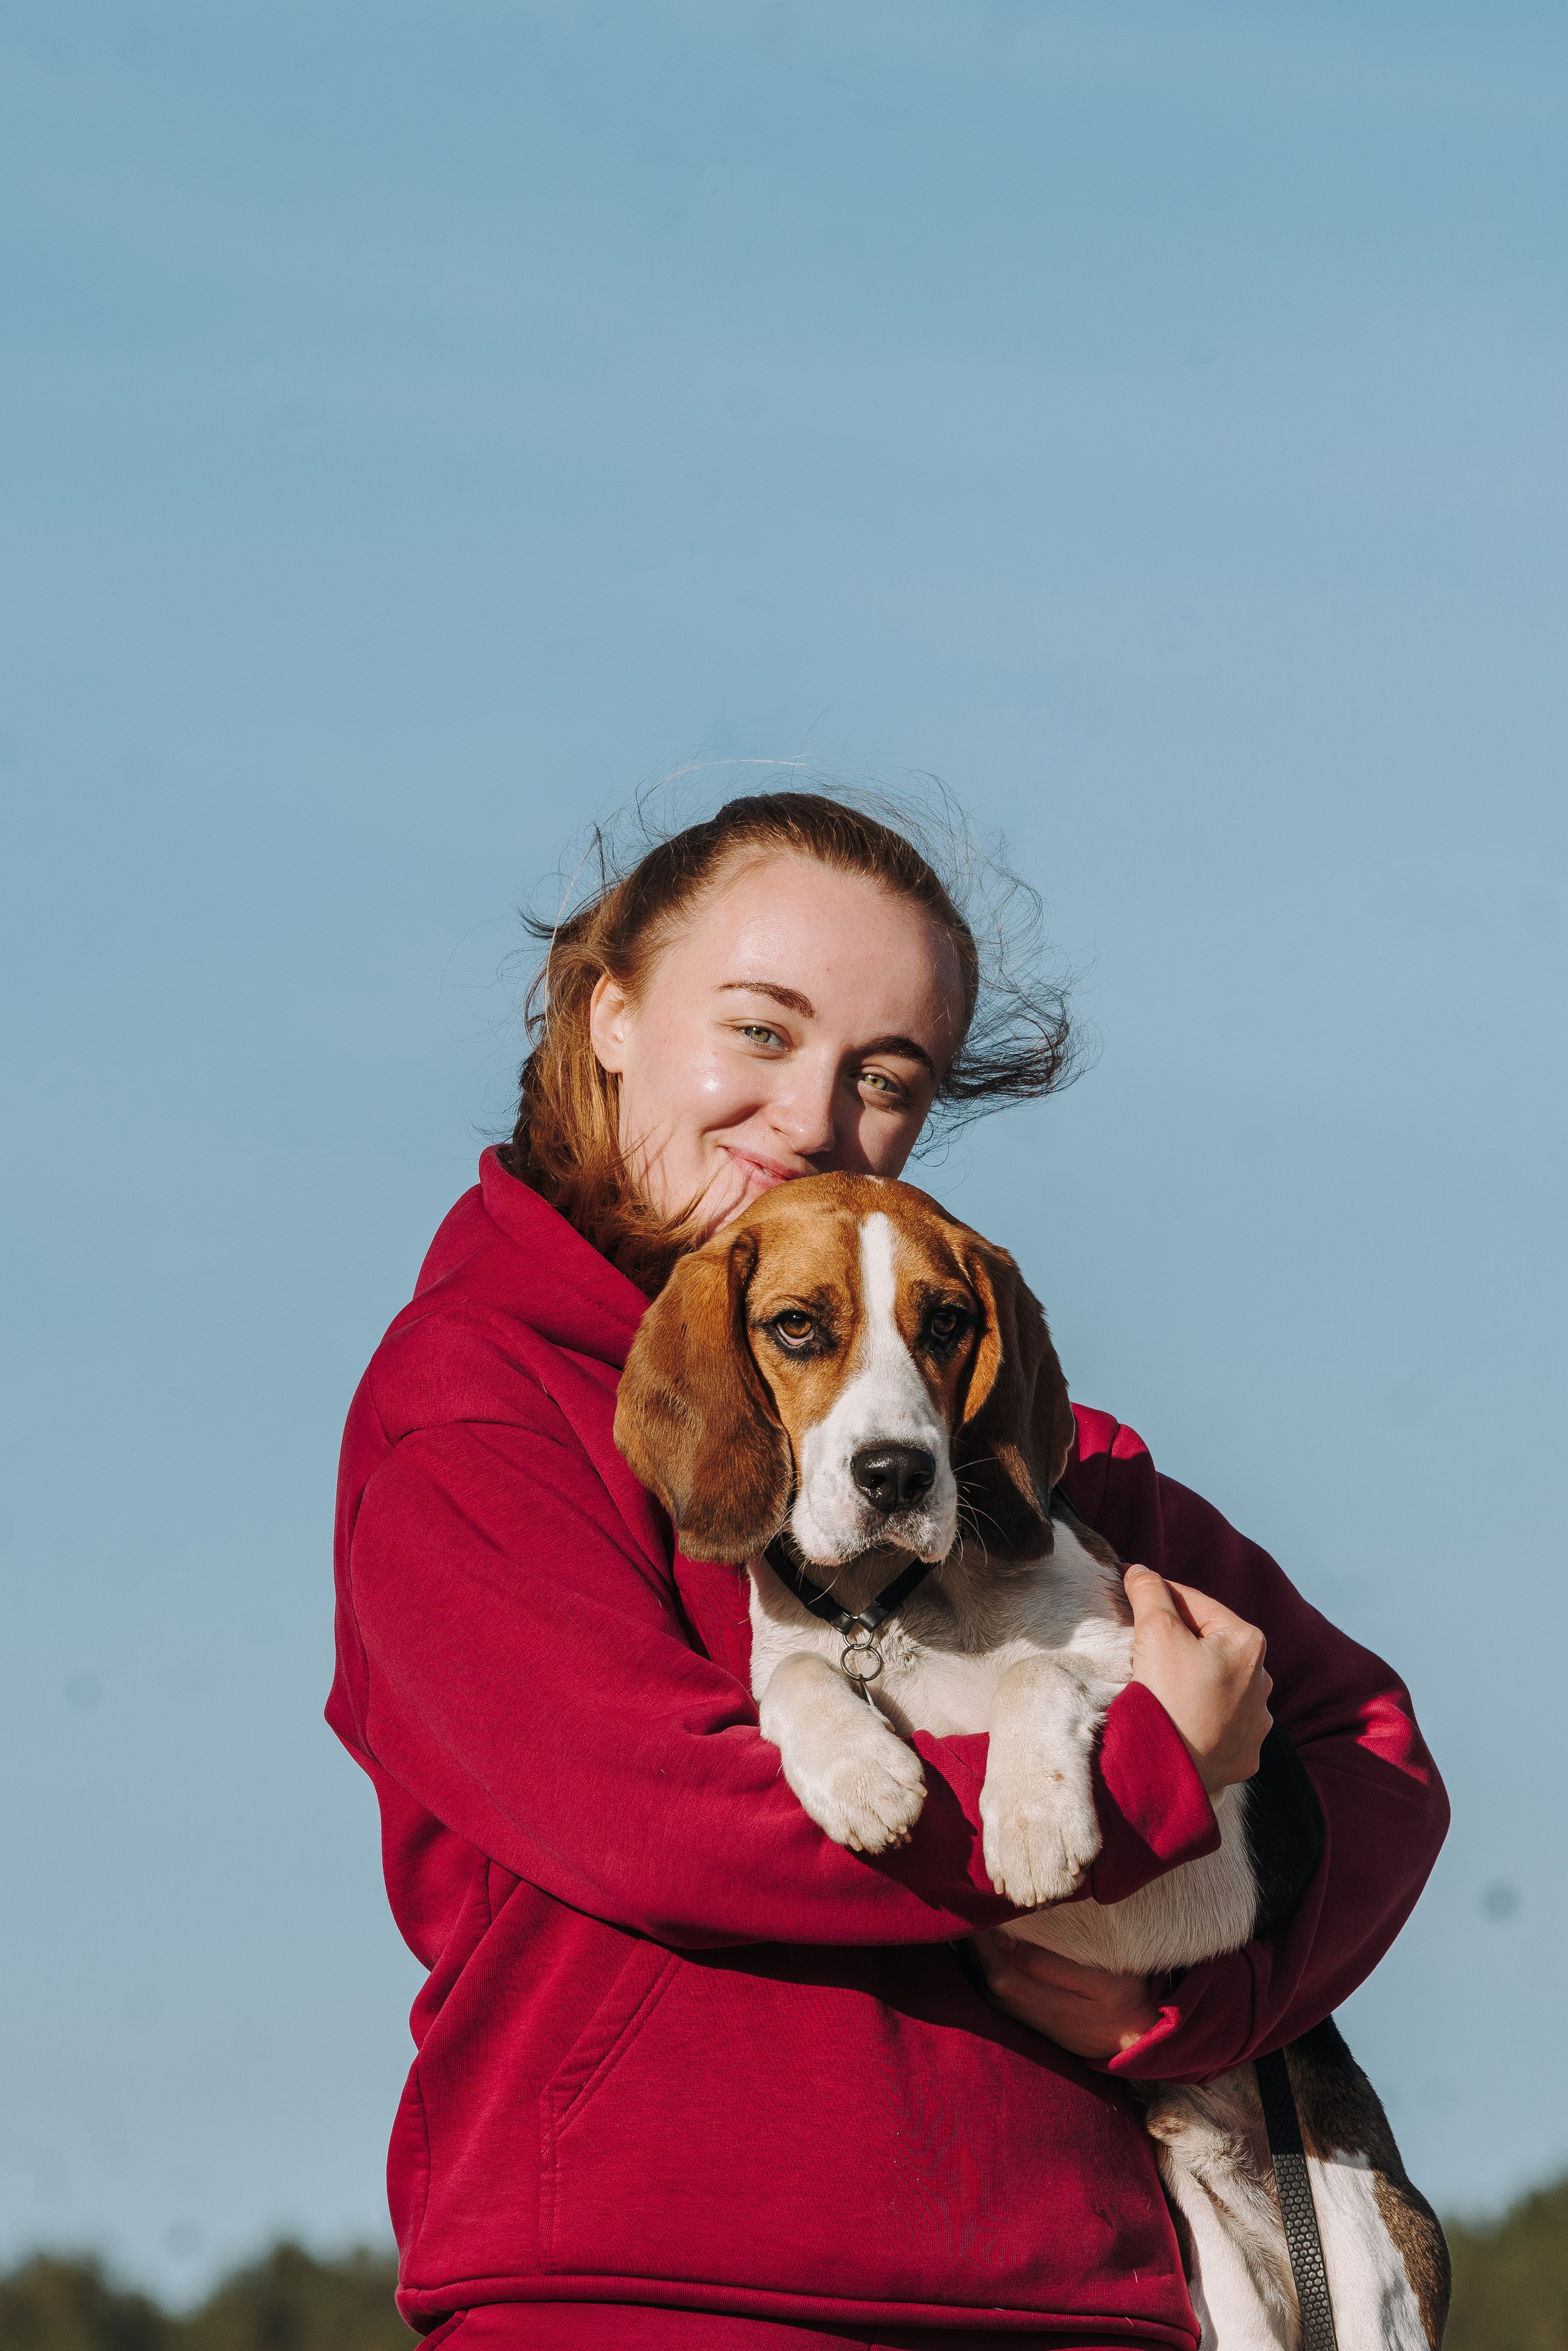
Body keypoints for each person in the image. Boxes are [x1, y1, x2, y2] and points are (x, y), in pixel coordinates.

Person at [328, 791, 1447, 2350]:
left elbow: (1373, 1748)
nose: (807, 1117)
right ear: (609, 1012)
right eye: (762, 1030)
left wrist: (1190, 2010)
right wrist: (1133, 1782)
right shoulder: (471, 1402)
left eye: (885, 1076)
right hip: (649, 2300)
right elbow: (670, 1822)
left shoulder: (1008, 1446)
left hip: (1077, 2299)